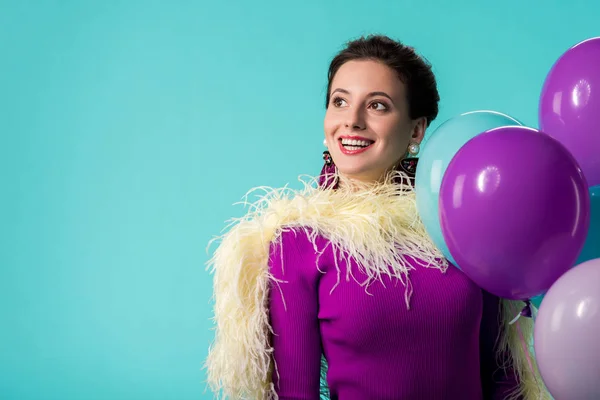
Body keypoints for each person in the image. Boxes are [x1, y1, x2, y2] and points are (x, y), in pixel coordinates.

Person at [205, 35, 550, 400]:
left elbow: (504, 378)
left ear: (416, 130)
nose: (351, 122)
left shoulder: (461, 225)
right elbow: (295, 393)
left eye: (378, 106)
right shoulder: (298, 242)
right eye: (339, 102)